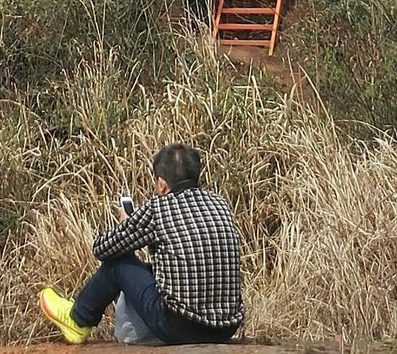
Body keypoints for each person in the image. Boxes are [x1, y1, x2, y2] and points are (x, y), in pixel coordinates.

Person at [39, 143, 244, 346]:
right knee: (150, 269)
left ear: (162, 183)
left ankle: (77, 320)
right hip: (226, 327)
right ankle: (78, 318)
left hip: (180, 326)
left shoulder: (159, 207)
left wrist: (127, 224)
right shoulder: (220, 203)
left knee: (119, 264)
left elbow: (102, 248)